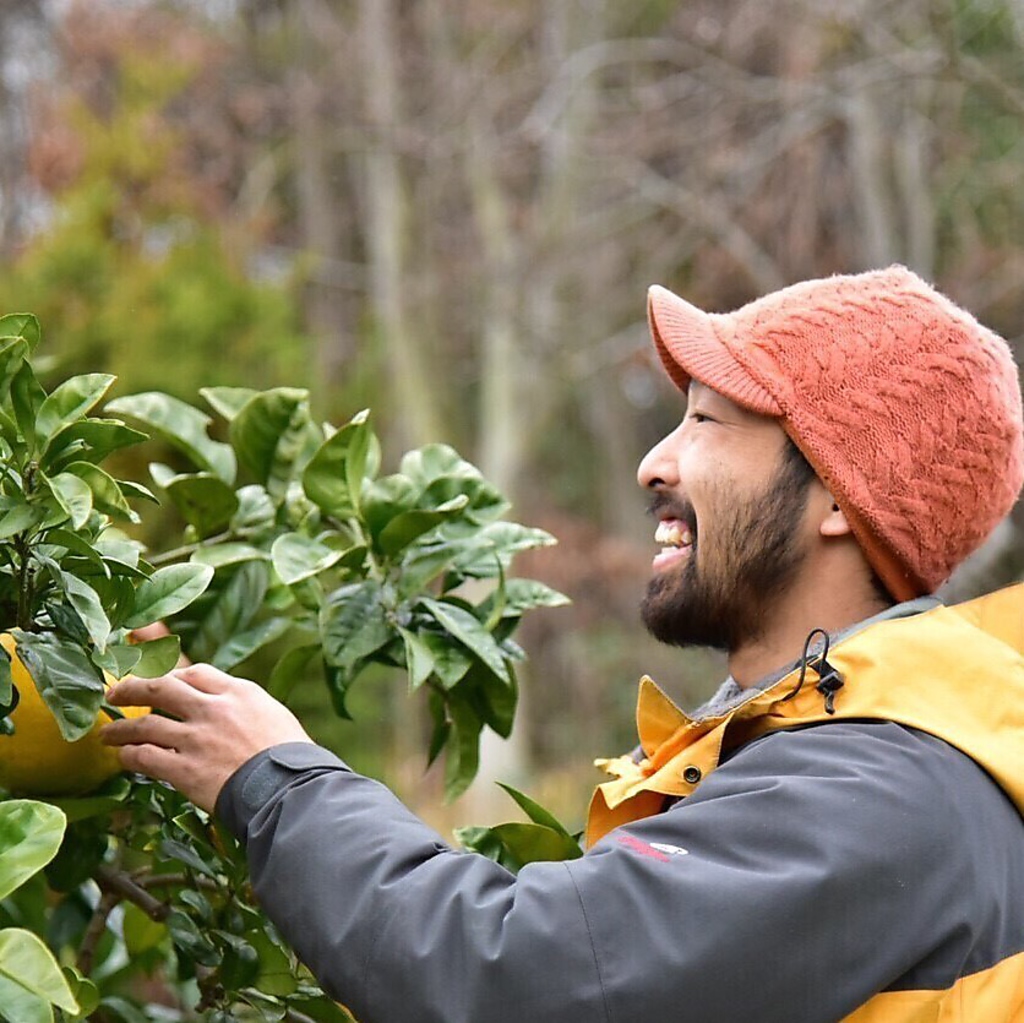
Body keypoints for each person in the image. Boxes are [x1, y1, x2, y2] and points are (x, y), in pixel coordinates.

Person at [102, 265, 1024, 1023]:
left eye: (707, 421)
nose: (653, 462)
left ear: (835, 498)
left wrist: (275, 782)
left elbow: (518, 977)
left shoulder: (870, 793)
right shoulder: (850, 761)